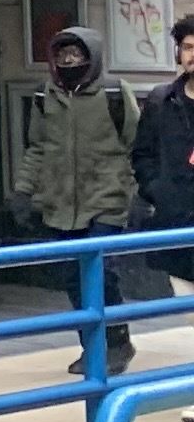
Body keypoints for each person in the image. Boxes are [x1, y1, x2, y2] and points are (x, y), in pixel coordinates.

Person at [17, 24, 148, 368]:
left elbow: (136, 145)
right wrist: (23, 192)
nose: (69, 61)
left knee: (101, 273)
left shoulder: (114, 93)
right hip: (60, 203)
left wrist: (137, 193)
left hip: (107, 199)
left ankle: (117, 342)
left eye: (76, 54)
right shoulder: (44, 96)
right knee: (72, 277)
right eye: (63, 55)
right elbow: (37, 148)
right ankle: (92, 346)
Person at [110, 13, 194, 369]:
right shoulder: (162, 101)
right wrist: (158, 191)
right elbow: (142, 154)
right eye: (188, 47)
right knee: (191, 313)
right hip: (177, 224)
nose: (193, 55)